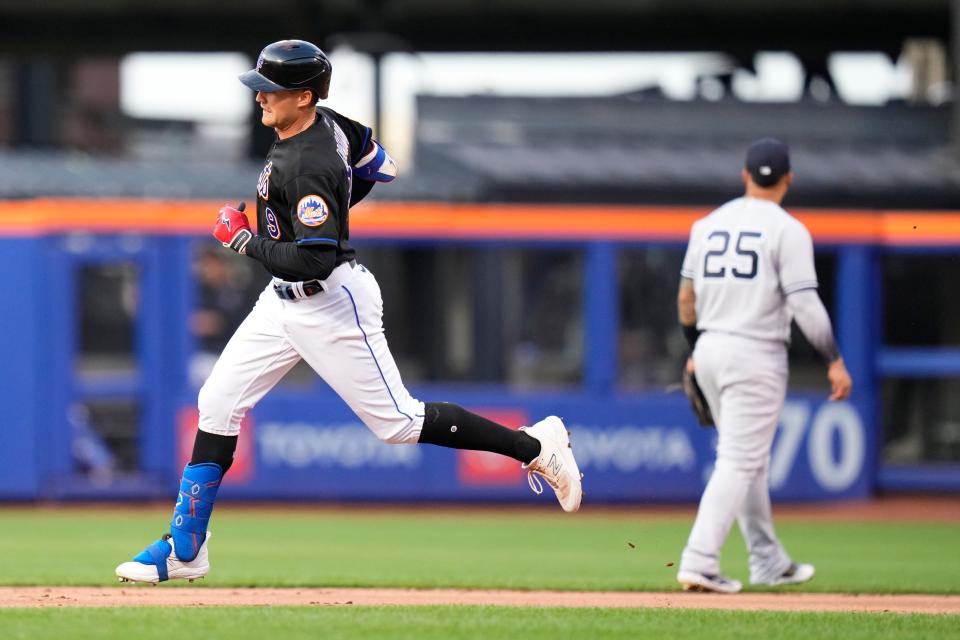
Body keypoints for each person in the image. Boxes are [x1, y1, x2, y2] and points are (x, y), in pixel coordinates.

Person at [116, 40, 582, 584]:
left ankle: (536, 445)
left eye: (273, 90)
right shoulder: (330, 126)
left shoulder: (308, 160)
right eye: (260, 86)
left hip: (330, 301)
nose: (261, 97)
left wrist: (243, 240)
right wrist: (338, 201)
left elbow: (314, 259)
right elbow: (380, 163)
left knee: (399, 423)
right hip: (281, 304)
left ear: (305, 97)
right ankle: (185, 546)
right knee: (216, 402)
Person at [674, 138, 852, 593]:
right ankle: (699, 560)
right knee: (740, 459)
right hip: (754, 352)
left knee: (746, 460)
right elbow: (805, 303)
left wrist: (695, 348)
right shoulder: (787, 229)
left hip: (712, 346)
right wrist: (833, 358)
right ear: (788, 179)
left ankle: (768, 559)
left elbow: (686, 300)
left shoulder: (707, 224)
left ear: (745, 176)